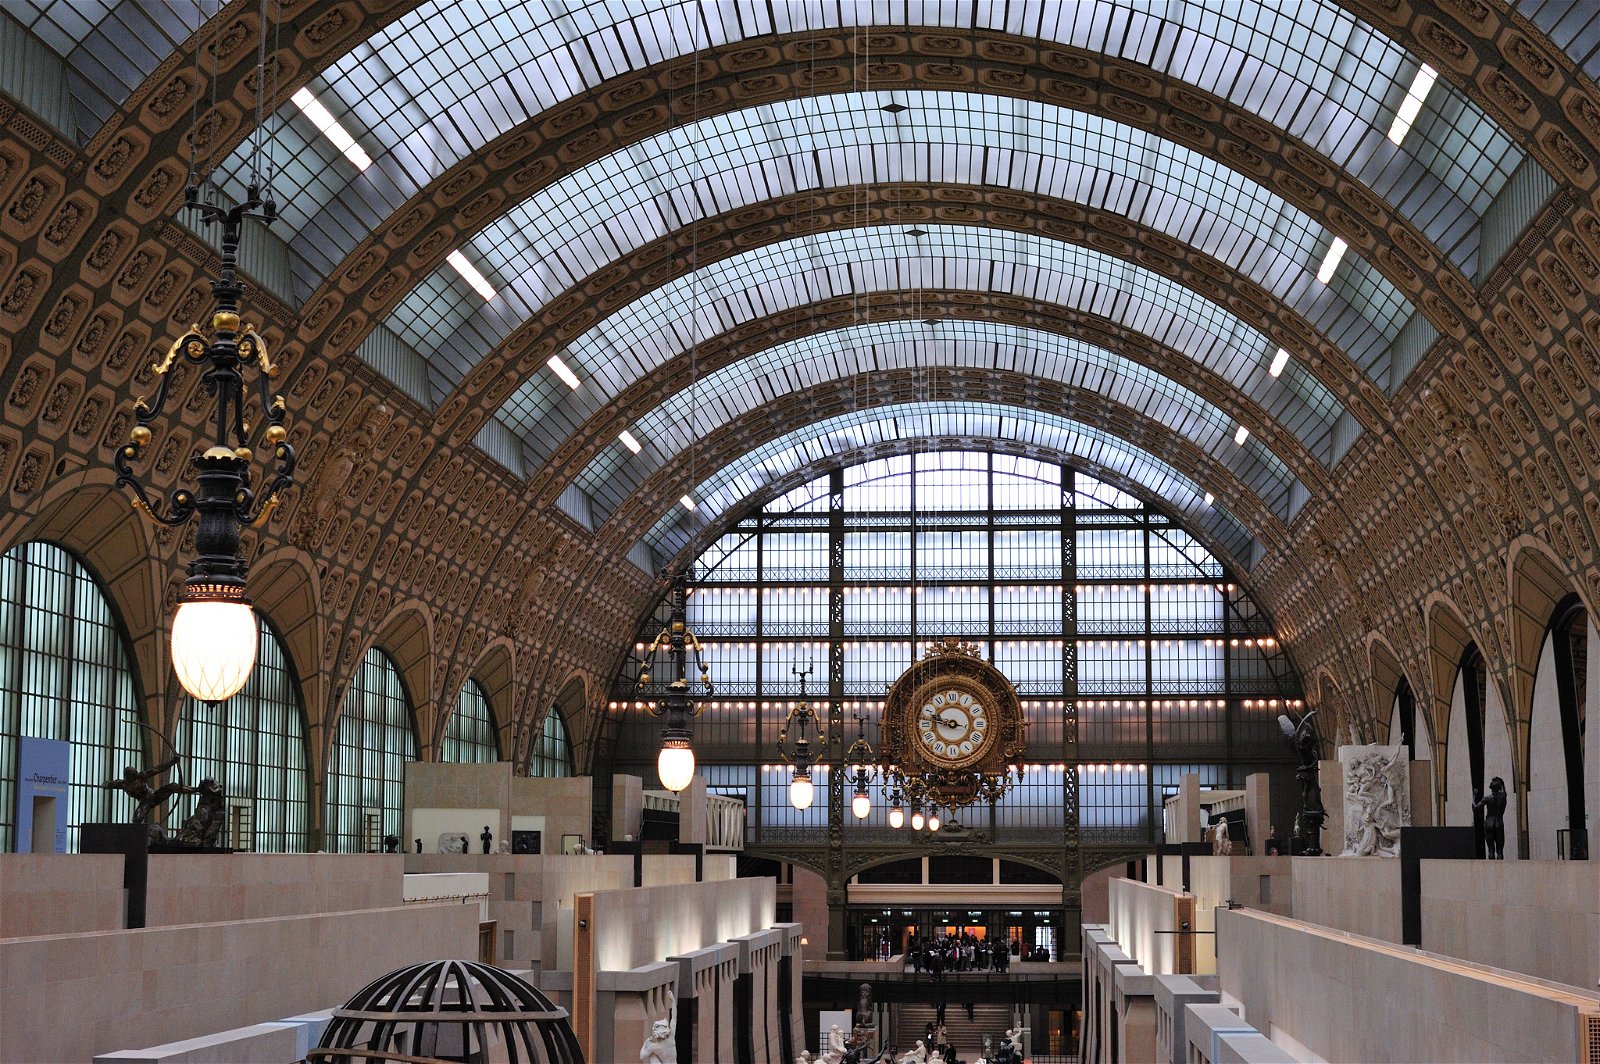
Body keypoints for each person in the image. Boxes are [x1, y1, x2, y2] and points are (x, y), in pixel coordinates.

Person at [102, 755, 189, 825]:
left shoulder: (141, 776)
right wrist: (107, 784)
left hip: (154, 796)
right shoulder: (122, 784)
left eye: (133, 775)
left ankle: (196, 789)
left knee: (172, 786)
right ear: (126, 777)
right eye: (130, 777)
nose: (133, 779)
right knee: (137, 819)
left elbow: (158, 769)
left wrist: (172, 762)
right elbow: (106, 784)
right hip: (144, 802)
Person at [1473, 776, 1508, 859]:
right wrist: (1500, 780)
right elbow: (1504, 789)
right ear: (1499, 787)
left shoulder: (1487, 798)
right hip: (1499, 823)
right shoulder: (1503, 797)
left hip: (1489, 823)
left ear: (1491, 788)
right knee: (1500, 850)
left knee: (1491, 849)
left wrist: (1474, 796)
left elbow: (1475, 808)